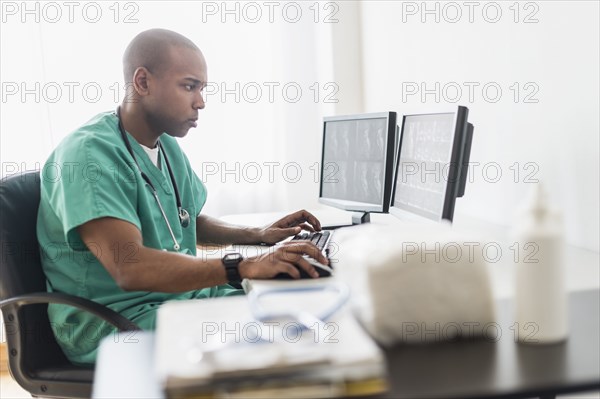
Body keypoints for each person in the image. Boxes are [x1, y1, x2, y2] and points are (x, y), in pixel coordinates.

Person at [36, 28, 328, 365]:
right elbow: (129, 267)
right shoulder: (88, 156)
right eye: (189, 86)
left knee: (299, 300)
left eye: (201, 89)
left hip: (175, 296)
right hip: (116, 320)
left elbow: (184, 219)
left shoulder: (165, 145)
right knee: (281, 338)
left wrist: (257, 237)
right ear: (142, 82)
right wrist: (242, 265)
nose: (201, 101)